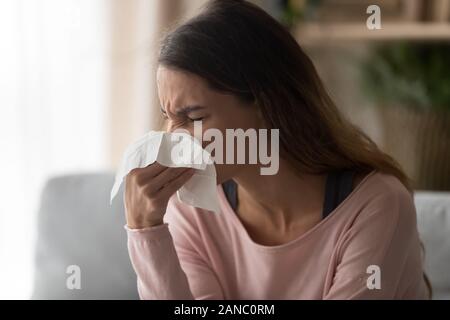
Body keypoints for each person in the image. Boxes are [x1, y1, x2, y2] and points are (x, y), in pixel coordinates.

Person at [123, 0, 430, 299]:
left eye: (194, 118)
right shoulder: (191, 209)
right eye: (168, 118)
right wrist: (145, 231)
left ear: (263, 105)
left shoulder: (375, 206)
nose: (174, 140)